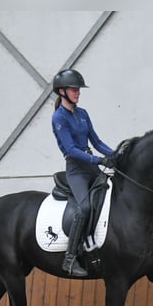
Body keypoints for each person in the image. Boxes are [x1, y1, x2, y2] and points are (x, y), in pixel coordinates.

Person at [51, 69, 116, 276]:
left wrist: (115, 156)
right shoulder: (59, 117)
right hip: (76, 170)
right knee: (85, 208)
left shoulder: (82, 114)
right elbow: (71, 150)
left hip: (91, 167)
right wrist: (99, 159)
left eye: (78, 89)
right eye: (73, 89)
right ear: (61, 91)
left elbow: (96, 142)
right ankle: (70, 258)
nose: (78, 93)